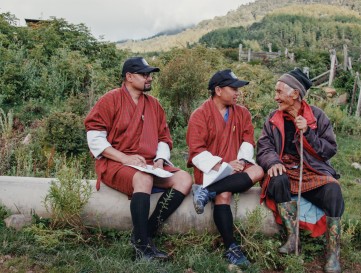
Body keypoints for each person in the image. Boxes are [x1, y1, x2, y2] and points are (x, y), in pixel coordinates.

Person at [84, 57, 192, 260]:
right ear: (129, 77)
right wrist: (125, 158)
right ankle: (142, 248)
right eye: (145, 74)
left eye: (150, 74)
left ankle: (144, 234)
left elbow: (163, 137)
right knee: (144, 178)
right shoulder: (110, 99)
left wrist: (160, 159)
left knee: (184, 179)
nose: (149, 78)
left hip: (149, 164)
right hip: (115, 163)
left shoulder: (154, 105)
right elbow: (95, 138)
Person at [256, 68, 344, 273]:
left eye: (279, 92)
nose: (275, 97)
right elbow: (264, 147)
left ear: (294, 93)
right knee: (277, 178)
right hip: (285, 169)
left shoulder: (317, 117)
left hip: (311, 170)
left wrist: (309, 133)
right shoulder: (273, 118)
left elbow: (329, 150)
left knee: (333, 190)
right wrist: (273, 162)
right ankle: (293, 238)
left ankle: (333, 253)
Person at [186, 69, 264, 268]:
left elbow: (248, 140)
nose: (237, 92)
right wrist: (221, 164)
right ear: (218, 90)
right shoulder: (200, 115)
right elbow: (196, 151)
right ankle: (231, 247)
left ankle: (206, 192)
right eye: (233, 88)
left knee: (258, 171)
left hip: (235, 166)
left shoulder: (242, 112)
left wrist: (239, 161)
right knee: (225, 195)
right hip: (210, 169)